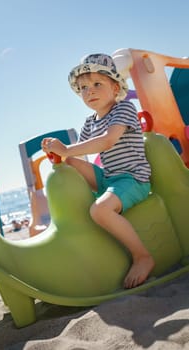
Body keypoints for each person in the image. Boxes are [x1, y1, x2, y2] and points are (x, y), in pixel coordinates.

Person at [41, 53, 155, 289]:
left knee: (100, 211)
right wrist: (60, 154)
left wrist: (67, 149)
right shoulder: (89, 121)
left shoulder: (123, 108)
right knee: (69, 163)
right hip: (110, 178)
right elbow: (79, 155)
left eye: (96, 84)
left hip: (133, 178)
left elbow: (108, 141)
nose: (89, 91)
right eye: (83, 87)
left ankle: (142, 256)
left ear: (115, 87)